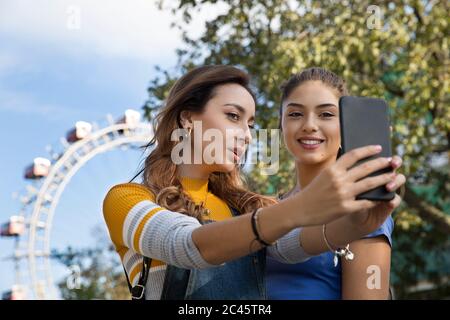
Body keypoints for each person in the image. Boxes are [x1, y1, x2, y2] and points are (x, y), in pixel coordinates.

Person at [102, 65, 405, 300]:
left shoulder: (246, 209)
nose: (246, 135)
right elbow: (186, 245)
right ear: (187, 120)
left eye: (250, 124)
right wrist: (300, 208)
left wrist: (358, 225)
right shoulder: (126, 200)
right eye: (233, 116)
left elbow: (293, 245)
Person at [266, 67, 400, 300]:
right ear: (281, 125)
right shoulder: (267, 210)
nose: (309, 125)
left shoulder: (363, 209)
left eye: (326, 114)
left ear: (345, 127)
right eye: (295, 114)